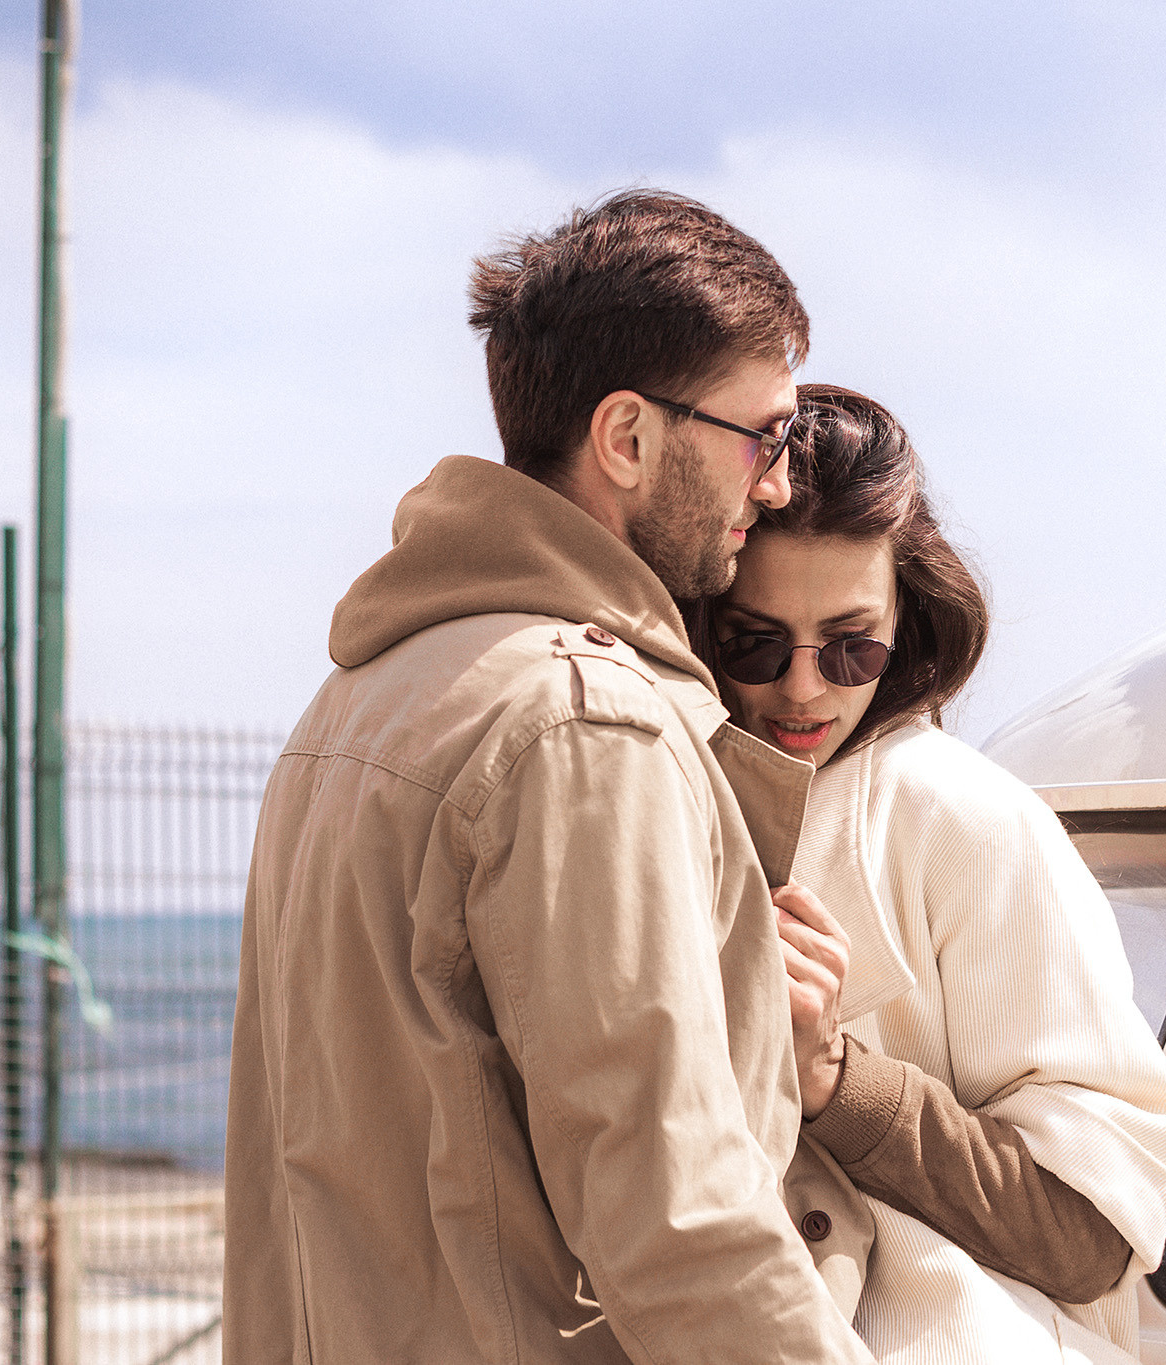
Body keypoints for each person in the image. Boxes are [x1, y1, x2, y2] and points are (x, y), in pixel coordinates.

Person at [224, 192, 874, 1364]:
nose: (773, 485)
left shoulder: (361, 696)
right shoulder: (584, 726)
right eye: (761, 435)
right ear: (626, 437)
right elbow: (678, 1223)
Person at [688, 385, 1166, 1362]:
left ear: (906, 617)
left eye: (852, 645)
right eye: (752, 641)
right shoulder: (647, 794)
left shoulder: (960, 816)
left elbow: (1090, 1236)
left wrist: (831, 1081)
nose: (802, 688)